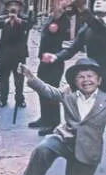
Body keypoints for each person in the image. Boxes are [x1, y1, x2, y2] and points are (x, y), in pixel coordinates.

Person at [28, 0, 79, 134]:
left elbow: (67, 44)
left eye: (57, 2)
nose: (53, 4)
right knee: (41, 89)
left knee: (52, 92)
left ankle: (53, 122)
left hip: (54, 63)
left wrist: (55, 56)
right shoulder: (50, 17)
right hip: (43, 61)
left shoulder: (64, 21)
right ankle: (44, 118)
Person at [0, 1, 32, 109]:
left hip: (19, 55)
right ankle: (3, 99)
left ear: (19, 7)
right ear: (8, 7)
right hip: (4, 54)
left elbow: (29, 25)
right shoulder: (2, 17)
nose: (13, 7)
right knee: (3, 78)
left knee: (19, 80)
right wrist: (8, 20)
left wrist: (17, 20)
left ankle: (19, 100)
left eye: (16, 5)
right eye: (11, 5)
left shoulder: (24, 17)